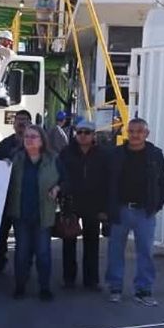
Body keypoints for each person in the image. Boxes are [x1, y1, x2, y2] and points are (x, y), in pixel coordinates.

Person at [105, 118, 164, 306]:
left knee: (146, 252)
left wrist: (156, 206)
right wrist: (108, 208)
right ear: (127, 132)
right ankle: (115, 287)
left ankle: (144, 290)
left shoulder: (155, 154)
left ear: (146, 134)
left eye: (139, 131)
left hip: (145, 212)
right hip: (121, 210)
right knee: (115, 250)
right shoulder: (116, 154)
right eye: (131, 131)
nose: (135, 135)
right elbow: (107, 181)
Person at [6, 125, 60, 301]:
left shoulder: (53, 159)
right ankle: (20, 286)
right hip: (20, 214)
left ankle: (44, 287)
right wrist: (3, 168)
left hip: (43, 215)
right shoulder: (16, 158)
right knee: (21, 252)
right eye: (27, 136)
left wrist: (58, 187)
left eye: (34, 136)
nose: (29, 139)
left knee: (43, 253)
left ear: (42, 140)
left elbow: (67, 179)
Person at [58, 120, 108, 291]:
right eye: (79, 132)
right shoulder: (66, 153)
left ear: (94, 135)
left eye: (87, 132)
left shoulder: (103, 154)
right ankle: (68, 279)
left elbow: (107, 183)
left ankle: (91, 281)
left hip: (94, 204)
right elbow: (59, 176)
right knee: (69, 240)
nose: (83, 135)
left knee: (92, 242)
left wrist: (104, 208)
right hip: (71, 202)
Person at [0, 109, 32, 276]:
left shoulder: (36, 143)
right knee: (0, 236)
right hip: (5, 199)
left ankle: (24, 269)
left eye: (25, 120)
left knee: (24, 238)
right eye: (18, 119)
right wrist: (2, 163)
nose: (21, 122)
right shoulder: (5, 144)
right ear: (14, 124)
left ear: (30, 123)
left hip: (25, 200)